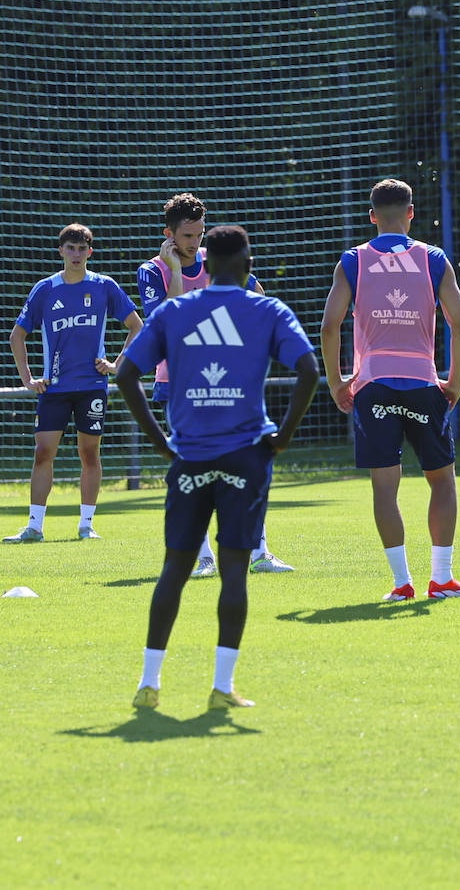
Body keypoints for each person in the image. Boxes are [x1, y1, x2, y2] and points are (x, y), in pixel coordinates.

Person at [117, 225, 318, 710]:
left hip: (189, 456)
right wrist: (283, 438)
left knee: (175, 570)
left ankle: (149, 684)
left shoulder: (174, 311)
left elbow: (126, 373)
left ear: (205, 267)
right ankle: (222, 688)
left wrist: (163, 445)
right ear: (247, 266)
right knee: (234, 572)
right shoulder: (267, 310)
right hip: (247, 454)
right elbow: (309, 370)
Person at [320, 178, 460, 601]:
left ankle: (401, 583)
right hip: (423, 383)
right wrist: (454, 382)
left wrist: (338, 382)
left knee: (384, 487)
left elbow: (329, 325)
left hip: (372, 385)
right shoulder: (433, 259)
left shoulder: (353, 260)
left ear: (372, 216)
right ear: (411, 213)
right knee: (443, 482)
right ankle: (442, 578)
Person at [136, 193, 294, 576]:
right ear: (169, 234)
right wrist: (175, 270)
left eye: (199, 234)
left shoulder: (217, 260)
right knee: (197, 469)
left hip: (230, 381)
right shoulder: (153, 270)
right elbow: (164, 324)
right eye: (187, 236)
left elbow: (257, 298)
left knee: (246, 463)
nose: (194, 243)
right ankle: (204, 557)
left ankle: (259, 552)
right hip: (177, 383)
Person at [6, 224, 142, 543]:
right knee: (43, 452)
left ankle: (86, 525)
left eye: (82, 248)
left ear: (89, 252)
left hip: (92, 386)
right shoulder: (45, 289)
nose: (76, 253)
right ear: (61, 251)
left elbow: (137, 325)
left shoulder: (104, 286)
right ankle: (34, 527)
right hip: (54, 388)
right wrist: (28, 378)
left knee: (89, 454)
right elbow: (17, 335)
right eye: (71, 247)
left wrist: (115, 365)